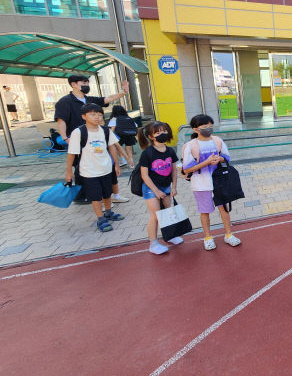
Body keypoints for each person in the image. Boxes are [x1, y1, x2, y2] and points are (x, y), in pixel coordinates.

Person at [54, 74, 129, 203]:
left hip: (95, 139)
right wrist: (65, 138)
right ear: (73, 84)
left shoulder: (90, 100)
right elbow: (61, 120)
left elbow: (108, 98)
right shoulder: (65, 102)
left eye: (88, 83)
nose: (86, 86)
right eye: (83, 83)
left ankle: (98, 195)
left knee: (99, 164)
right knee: (80, 167)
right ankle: (83, 196)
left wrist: (123, 93)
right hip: (78, 139)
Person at [181, 114, 240, 251]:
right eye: (204, 127)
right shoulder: (190, 146)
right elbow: (187, 168)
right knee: (205, 211)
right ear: (196, 129)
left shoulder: (217, 141)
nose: (208, 129)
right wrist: (206, 162)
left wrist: (220, 159)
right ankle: (207, 237)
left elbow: (226, 157)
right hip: (201, 184)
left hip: (219, 181)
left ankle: (229, 234)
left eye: (210, 126)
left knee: (224, 208)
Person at [64, 103, 124, 232]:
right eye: (93, 114)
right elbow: (71, 153)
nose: (97, 117)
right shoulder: (79, 132)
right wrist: (69, 171)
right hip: (89, 171)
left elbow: (111, 147)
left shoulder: (105, 130)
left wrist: (117, 164)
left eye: (99, 114)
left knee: (107, 193)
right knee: (95, 196)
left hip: (106, 168)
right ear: (84, 116)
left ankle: (109, 212)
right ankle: (100, 218)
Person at [138, 121, 183, 255]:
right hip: (150, 189)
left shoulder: (169, 150)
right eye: (158, 133)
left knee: (169, 212)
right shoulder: (147, 153)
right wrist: (156, 191)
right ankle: (153, 244)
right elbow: (144, 175)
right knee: (156, 216)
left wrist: (174, 187)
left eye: (164, 131)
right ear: (151, 136)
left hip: (166, 187)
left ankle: (170, 236)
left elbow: (174, 170)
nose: (162, 134)